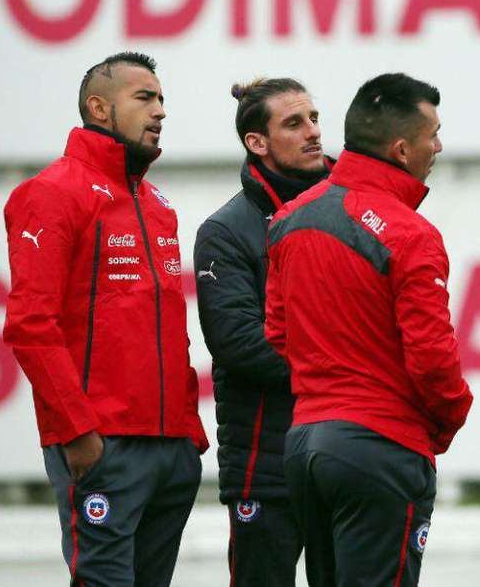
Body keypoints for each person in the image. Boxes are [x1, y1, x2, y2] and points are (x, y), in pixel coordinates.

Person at [2, 51, 208, 587]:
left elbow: (170, 329)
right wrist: (78, 433)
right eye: (144, 97)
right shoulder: (50, 193)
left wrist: (188, 434)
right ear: (99, 107)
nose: (160, 110)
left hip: (170, 450)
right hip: (102, 444)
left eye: (162, 98)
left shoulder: (157, 202)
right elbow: (29, 325)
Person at [265, 73, 473, 587]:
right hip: (381, 448)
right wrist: (444, 424)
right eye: (433, 135)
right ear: (403, 150)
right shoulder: (411, 233)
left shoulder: (289, 219)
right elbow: (432, 357)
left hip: (305, 446)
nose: (439, 146)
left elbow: (278, 334)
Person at [194, 77, 334, 586]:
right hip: (266, 460)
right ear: (257, 142)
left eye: (314, 118)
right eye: (294, 123)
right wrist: (345, 371)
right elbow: (238, 343)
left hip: (347, 454)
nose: (314, 132)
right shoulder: (226, 230)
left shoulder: (362, 209)